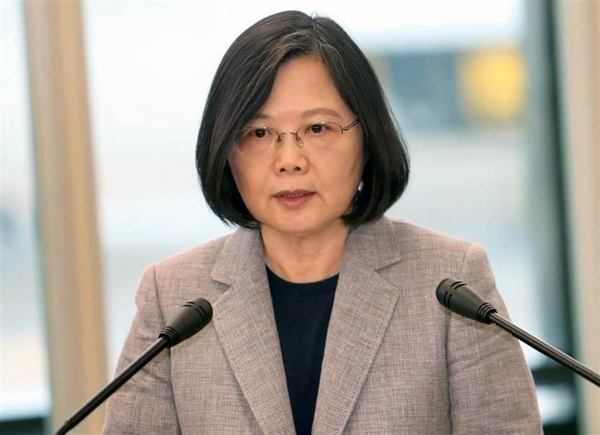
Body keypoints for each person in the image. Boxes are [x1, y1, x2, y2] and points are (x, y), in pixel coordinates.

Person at [103, 10, 542, 435]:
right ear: (225, 150)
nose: (289, 160)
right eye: (259, 133)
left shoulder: (451, 283)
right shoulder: (173, 296)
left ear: (368, 137)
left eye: (317, 128)